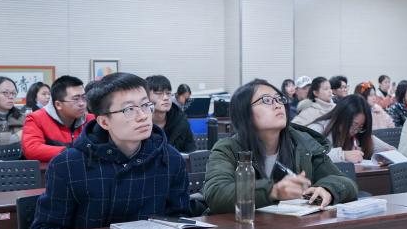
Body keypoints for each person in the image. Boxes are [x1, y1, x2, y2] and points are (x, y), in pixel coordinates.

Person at [30, 72, 190, 229]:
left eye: (146, 105)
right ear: (104, 122)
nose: (143, 116)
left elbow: (179, 219)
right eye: (129, 109)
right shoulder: (68, 165)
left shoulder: (170, 159)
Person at [203, 79, 357, 213]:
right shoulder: (227, 149)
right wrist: (272, 191)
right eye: (266, 101)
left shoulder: (302, 142)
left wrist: (328, 189)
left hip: (289, 228)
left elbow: (345, 182)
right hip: (239, 228)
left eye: (279, 99)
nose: (277, 105)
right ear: (244, 113)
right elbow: (216, 193)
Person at [21, 75, 94, 163]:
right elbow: (32, 149)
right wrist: (73, 152)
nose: (82, 103)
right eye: (76, 99)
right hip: (52, 170)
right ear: (58, 104)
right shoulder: (36, 118)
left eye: (84, 97)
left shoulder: (91, 120)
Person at [308, 94, 392, 163]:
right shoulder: (318, 129)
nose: (355, 131)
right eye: (353, 125)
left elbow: (388, 149)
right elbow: (309, 154)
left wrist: (387, 156)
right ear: (341, 117)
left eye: (361, 127)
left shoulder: (360, 133)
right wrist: (343, 155)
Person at [145, 75, 195, 153]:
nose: (166, 98)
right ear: (146, 97)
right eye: (159, 93)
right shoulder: (140, 122)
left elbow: (191, 150)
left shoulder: (180, 120)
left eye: (168, 93)